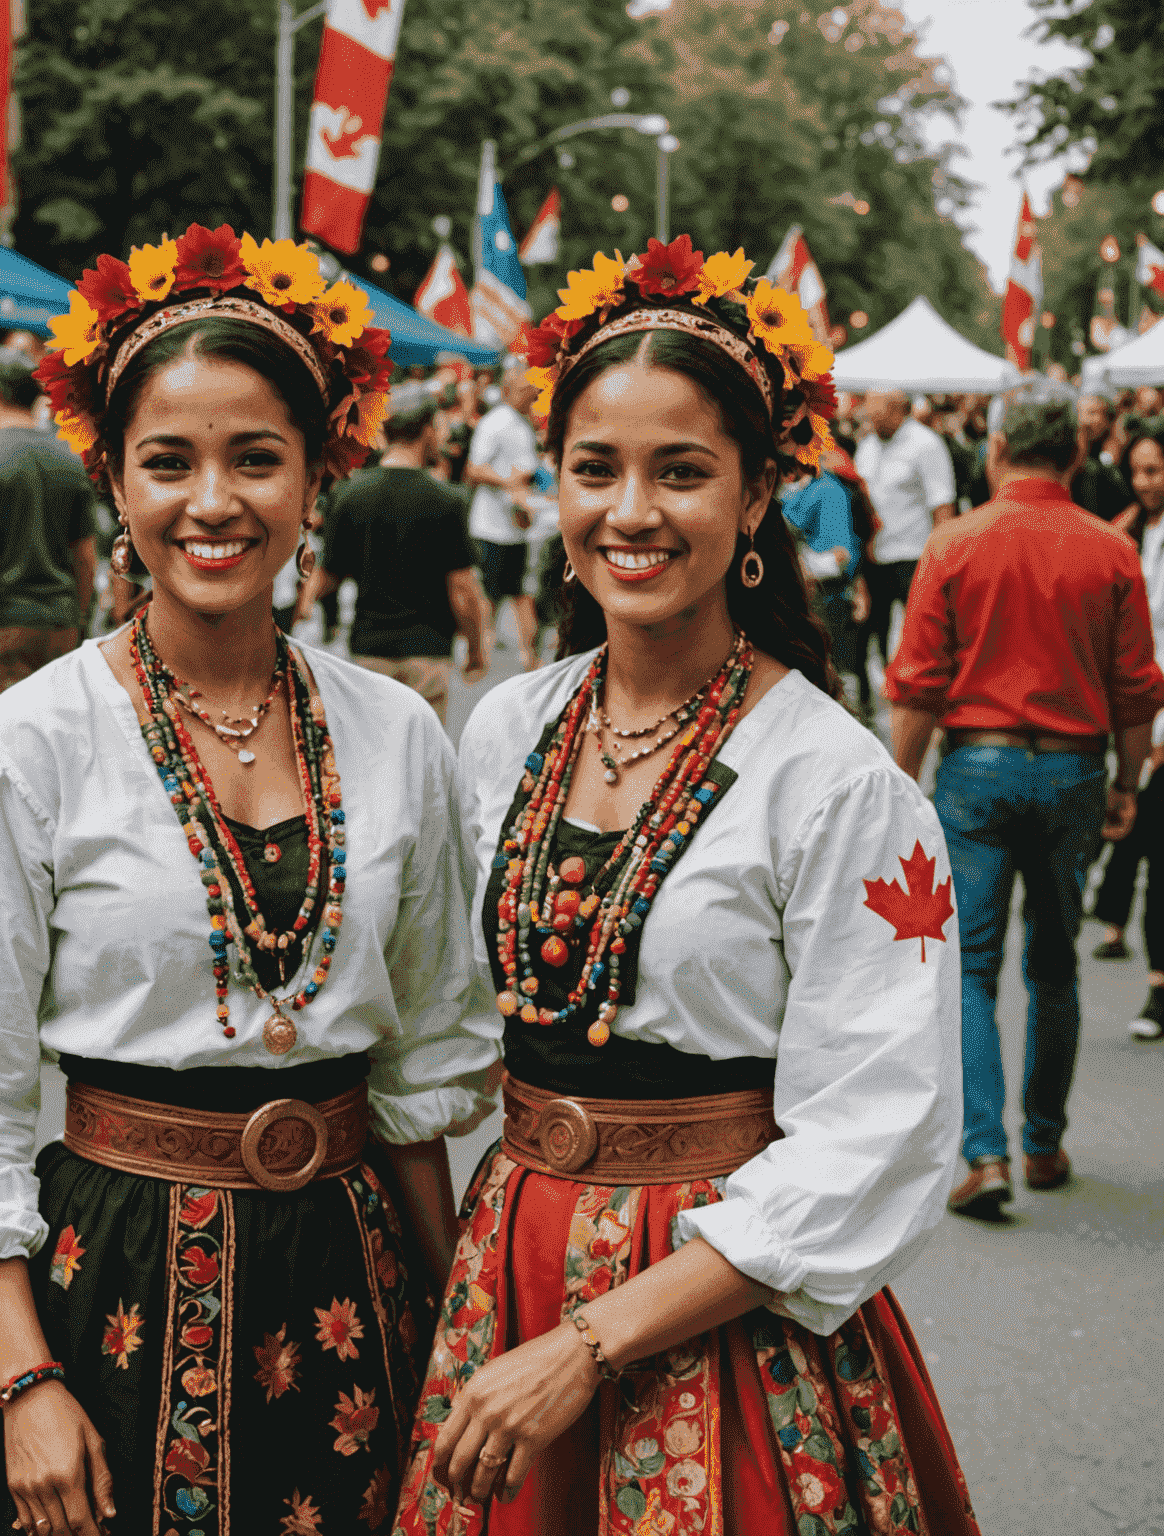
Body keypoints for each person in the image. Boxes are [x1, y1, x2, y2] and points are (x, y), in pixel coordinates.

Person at [0, 226, 499, 1536]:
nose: (214, 500)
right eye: (170, 461)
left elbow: (419, 1073)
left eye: (257, 458)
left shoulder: (397, 737)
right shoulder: (24, 746)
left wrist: (454, 1346)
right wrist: (25, 1378)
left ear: (320, 477)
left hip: (348, 1287)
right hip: (109, 1287)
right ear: (116, 480)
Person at [396, 240, 976, 1533]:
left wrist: (591, 1342)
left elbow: (877, 1127)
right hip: (510, 1270)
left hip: (724, 1305)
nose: (632, 513)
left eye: (684, 472)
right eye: (595, 470)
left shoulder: (835, 783)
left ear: (761, 492)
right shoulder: (510, 727)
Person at [887, 379, 1164, 1219]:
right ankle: (1043, 1140)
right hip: (1074, 768)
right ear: (1078, 455)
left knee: (971, 966)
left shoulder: (955, 545)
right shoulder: (1110, 550)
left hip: (977, 767)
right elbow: (1136, 689)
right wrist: (1126, 781)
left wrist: (899, 786)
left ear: (996, 448)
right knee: (1055, 960)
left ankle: (984, 1153)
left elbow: (919, 683)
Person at [298, 383, 490, 723]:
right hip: (427, 655)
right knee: (422, 762)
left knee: (374, 759)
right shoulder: (446, 500)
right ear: (428, 431)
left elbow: (327, 576)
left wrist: (299, 611)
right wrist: (476, 649)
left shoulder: (351, 493)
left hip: (368, 653)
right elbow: (462, 589)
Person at [0, 346, 98, 714]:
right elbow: (85, 556)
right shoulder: (70, 460)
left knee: (9, 739)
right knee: (57, 736)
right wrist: (80, 617)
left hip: (4, 624)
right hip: (61, 623)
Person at [1091, 422, 1164, 1039]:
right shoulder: (1126, 534)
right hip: (1138, 719)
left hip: (1158, 721)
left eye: (1156, 470)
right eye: (1139, 471)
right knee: (1145, 845)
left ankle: (1158, 988)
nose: (1146, 482)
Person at [854, 388, 956, 710]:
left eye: (876, 411)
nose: (869, 418)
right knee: (874, 630)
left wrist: (940, 562)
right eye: (867, 412)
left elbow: (943, 506)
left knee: (922, 632)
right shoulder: (868, 445)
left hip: (914, 555)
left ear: (898, 409)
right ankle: (880, 696)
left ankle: (923, 694)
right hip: (876, 554)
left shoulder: (926, 444)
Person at [466, 363, 543, 670]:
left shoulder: (522, 424)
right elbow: (474, 470)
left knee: (519, 590)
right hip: (491, 526)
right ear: (512, 389)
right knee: (491, 593)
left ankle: (529, 655)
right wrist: (509, 482)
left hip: (517, 526)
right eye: (529, 390)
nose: (534, 396)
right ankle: (479, 652)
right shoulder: (495, 423)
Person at [778, 461, 861, 699]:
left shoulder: (825, 490)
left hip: (828, 594)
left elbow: (840, 557)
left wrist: (803, 567)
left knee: (837, 668)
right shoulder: (812, 489)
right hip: (816, 593)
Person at [1071, 392, 1130, 521]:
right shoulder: (1072, 459)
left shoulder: (1118, 451)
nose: (1084, 420)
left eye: (1092, 413)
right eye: (1080, 413)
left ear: (1108, 420)